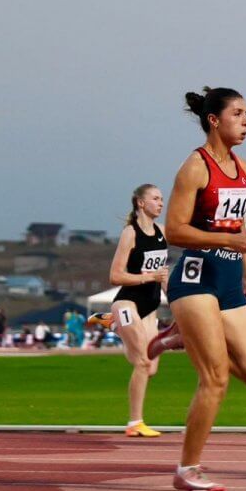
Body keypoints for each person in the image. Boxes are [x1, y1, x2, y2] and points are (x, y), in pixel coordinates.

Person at [161, 87, 246, 491]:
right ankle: (187, 469)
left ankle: (183, 337)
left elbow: (237, 228)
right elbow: (173, 230)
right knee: (215, 379)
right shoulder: (195, 168)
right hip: (195, 281)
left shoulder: (244, 167)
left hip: (229, 281)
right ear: (214, 120)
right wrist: (230, 243)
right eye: (238, 114)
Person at [103, 184, 170, 437]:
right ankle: (135, 423)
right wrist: (148, 276)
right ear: (141, 203)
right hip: (128, 302)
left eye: (162, 199)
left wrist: (173, 297)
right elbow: (115, 275)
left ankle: (114, 325)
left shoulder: (163, 233)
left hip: (150, 306)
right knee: (142, 362)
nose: (161, 203)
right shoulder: (130, 234)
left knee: (150, 368)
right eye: (155, 198)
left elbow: (162, 273)